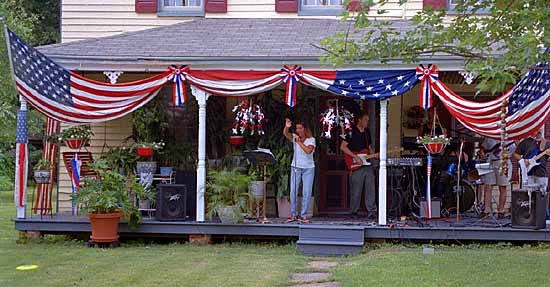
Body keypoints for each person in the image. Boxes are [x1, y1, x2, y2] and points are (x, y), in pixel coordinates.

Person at [340, 111, 377, 220]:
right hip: (355, 163)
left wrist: (374, 155)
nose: (367, 122)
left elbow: (369, 148)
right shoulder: (350, 132)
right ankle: (353, 211)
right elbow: (343, 147)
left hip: (367, 164)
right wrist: (355, 157)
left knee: (371, 187)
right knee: (356, 189)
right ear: (359, 120)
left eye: (368, 120)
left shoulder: (367, 132)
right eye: (365, 120)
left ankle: (372, 211)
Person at [283, 118, 316, 223]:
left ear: (305, 129)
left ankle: (304, 215)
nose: (298, 130)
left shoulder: (311, 140)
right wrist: (287, 127)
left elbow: (308, 151)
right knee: (293, 191)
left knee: (306, 192)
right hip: (296, 167)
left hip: (309, 168)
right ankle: (293, 215)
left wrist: (298, 142)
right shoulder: (294, 137)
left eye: (300, 128)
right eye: (297, 128)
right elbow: (286, 134)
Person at [513, 128, 550, 212]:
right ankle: (529, 214)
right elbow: (515, 154)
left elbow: (548, 158)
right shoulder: (525, 142)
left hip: (542, 172)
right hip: (528, 173)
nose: (538, 131)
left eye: (540, 129)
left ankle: (541, 214)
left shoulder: (547, 143)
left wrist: (545, 154)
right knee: (528, 195)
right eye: (537, 129)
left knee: (542, 195)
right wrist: (523, 160)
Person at [479, 138, 513, 219]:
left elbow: (514, 150)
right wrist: (482, 152)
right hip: (489, 162)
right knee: (488, 186)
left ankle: (501, 211)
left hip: (503, 163)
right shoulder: (490, 135)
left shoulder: (509, 137)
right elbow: (482, 148)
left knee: (502, 187)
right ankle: (486, 211)